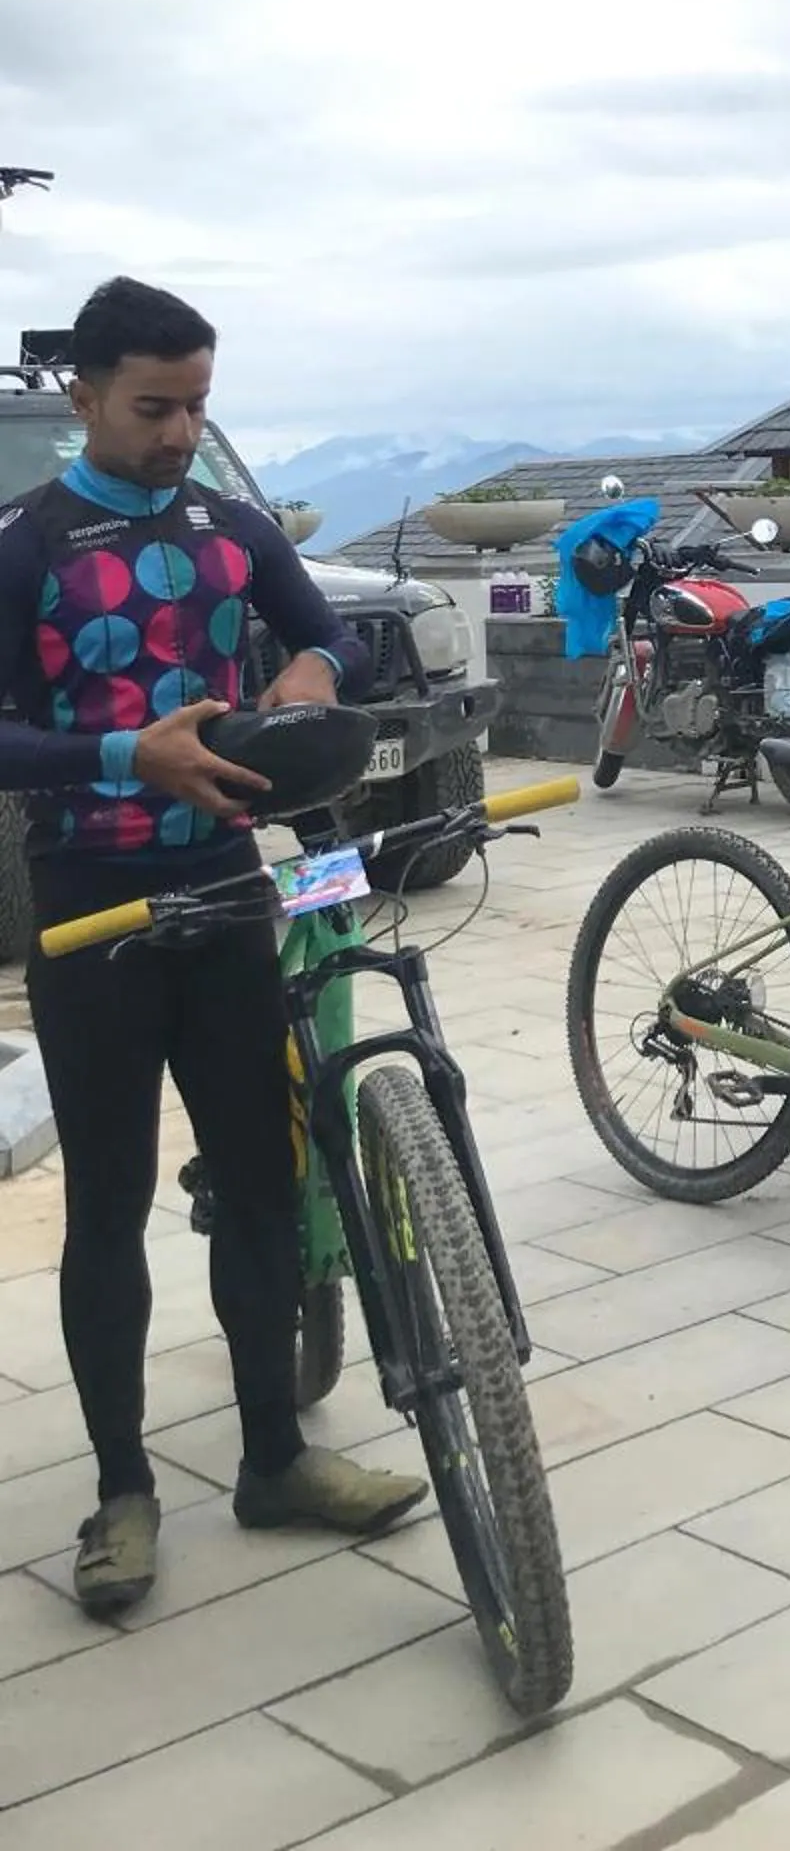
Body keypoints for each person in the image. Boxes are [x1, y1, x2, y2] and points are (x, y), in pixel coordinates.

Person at [0, 279, 428, 1620]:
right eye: (154, 406)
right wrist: (131, 751)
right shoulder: (26, 546)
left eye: (198, 402)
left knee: (257, 1182)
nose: (184, 429)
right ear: (83, 395)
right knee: (111, 1202)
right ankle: (123, 1490)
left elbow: (326, 646)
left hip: (231, 894)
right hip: (93, 910)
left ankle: (272, 1461)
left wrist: (311, 679)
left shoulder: (235, 530)